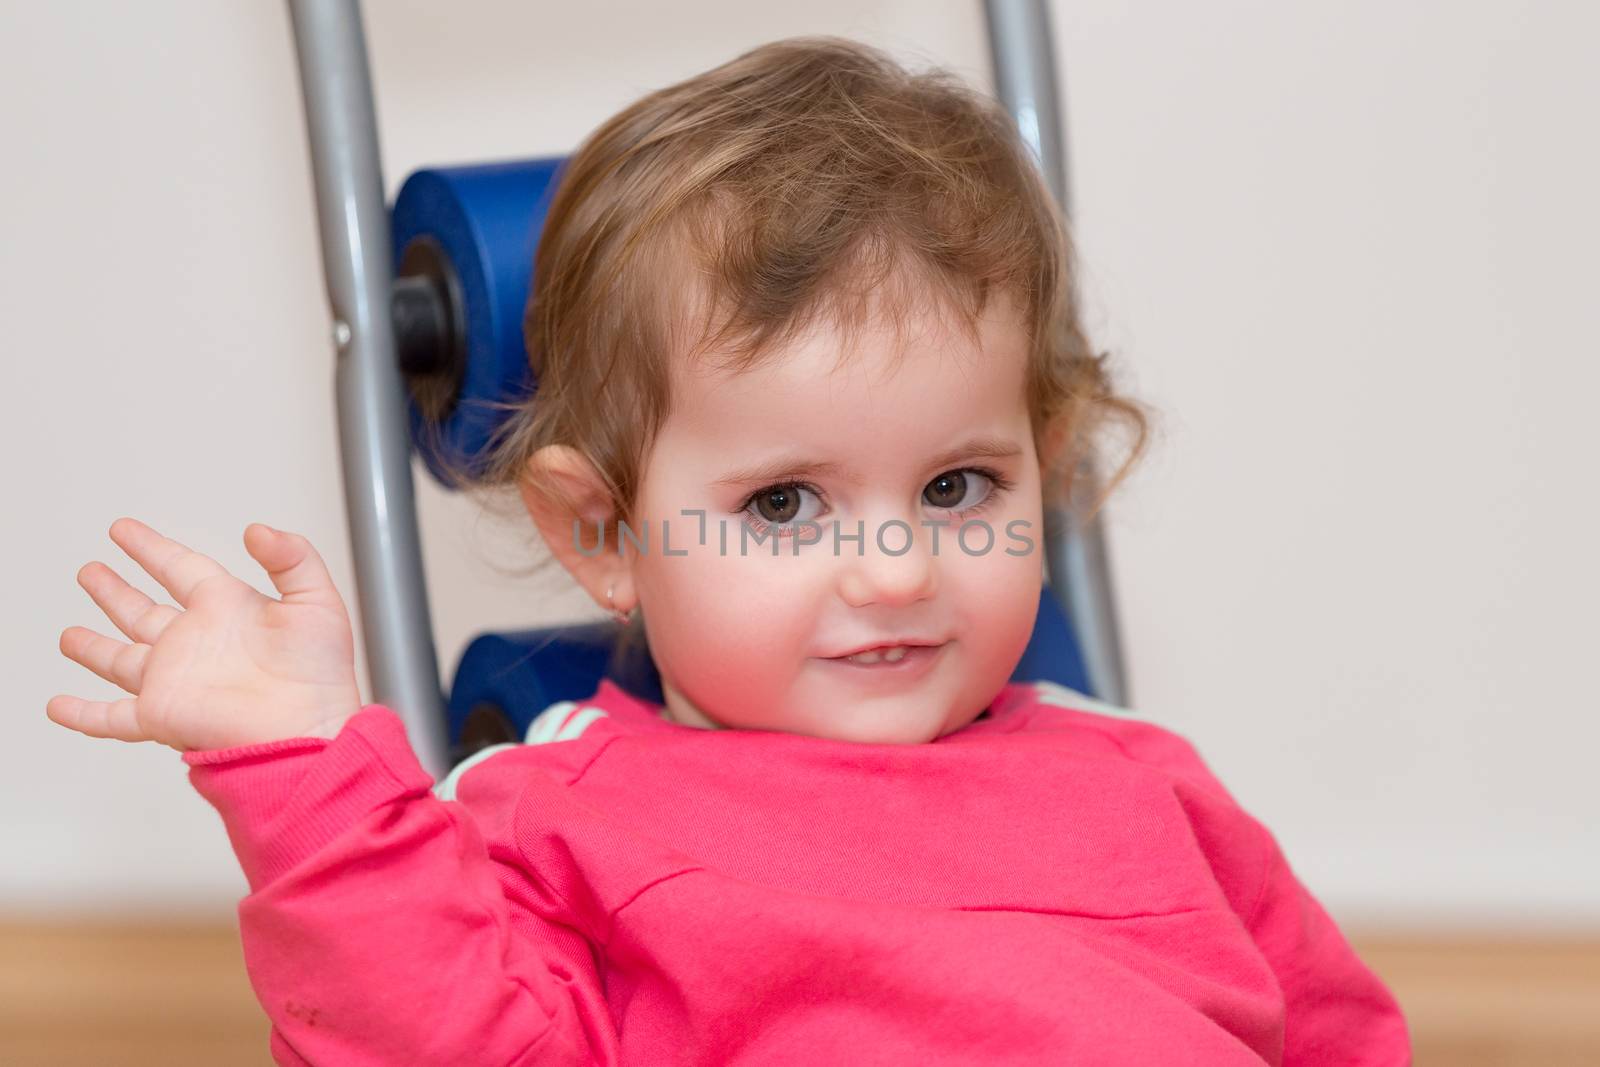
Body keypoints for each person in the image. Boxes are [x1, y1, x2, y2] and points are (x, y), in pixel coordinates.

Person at [48, 36, 1410, 1065]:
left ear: (1041, 469)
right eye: (782, 507)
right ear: (603, 534)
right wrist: (303, 773)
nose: (895, 569)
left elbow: (1340, 1037)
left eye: (957, 484)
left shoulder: (1143, 783)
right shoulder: (558, 816)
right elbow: (433, 1037)